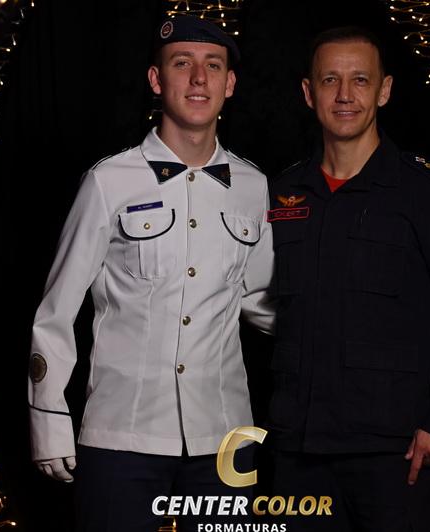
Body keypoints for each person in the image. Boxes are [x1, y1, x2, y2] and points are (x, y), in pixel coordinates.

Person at [27, 15, 274, 532]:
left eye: (213, 66)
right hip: (122, 439)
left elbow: (258, 301)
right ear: (156, 80)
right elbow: (56, 311)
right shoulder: (108, 181)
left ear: (230, 84)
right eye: (182, 64)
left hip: (225, 442)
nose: (199, 79)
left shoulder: (253, 186)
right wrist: (48, 419)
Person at [265, 26, 430, 531]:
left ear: (384, 90)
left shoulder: (424, 193)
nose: (344, 95)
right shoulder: (282, 195)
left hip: (395, 457)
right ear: (308, 93)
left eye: (360, 80)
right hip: (299, 454)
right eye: (330, 80)